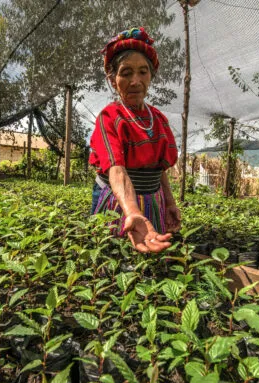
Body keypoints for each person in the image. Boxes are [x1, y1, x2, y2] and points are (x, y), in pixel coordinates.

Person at [89, 27, 181, 254]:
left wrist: (169, 203)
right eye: (126, 73)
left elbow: (159, 169)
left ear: (151, 75)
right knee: (114, 262)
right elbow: (116, 170)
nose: (135, 81)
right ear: (113, 79)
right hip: (118, 202)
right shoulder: (109, 118)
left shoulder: (158, 119)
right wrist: (132, 211)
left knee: (150, 261)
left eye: (143, 72)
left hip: (153, 200)